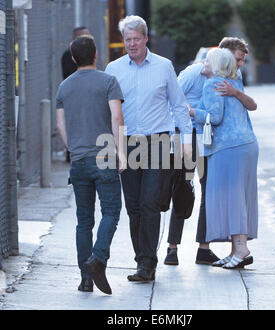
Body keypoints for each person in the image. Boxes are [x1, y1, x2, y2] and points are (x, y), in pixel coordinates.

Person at [105, 15, 193, 282]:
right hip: (128, 144)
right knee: (133, 207)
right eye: (127, 39)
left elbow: (178, 105)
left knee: (150, 202)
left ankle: (147, 264)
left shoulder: (164, 67)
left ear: (145, 38)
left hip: (158, 142)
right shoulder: (114, 69)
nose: (131, 44)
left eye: (135, 39)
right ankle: (141, 258)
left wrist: (187, 142)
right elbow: (108, 110)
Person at [164, 37, 257, 266]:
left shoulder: (232, 77)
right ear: (222, 56)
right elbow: (171, 100)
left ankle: (204, 248)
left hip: (212, 143)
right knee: (183, 190)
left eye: (242, 60)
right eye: (237, 59)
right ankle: (172, 248)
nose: (240, 64)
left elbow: (245, 107)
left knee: (210, 195)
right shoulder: (194, 74)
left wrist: (235, 93)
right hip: (187, 138)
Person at [56, 35, 126, 294]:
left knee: (83, 221)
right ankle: (98, 258)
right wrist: (121, 152)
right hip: (104, 156)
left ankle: (86, 279)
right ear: (96, 55)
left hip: (79, 160)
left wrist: (72, 148)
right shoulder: (108, 81)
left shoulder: (64, 87)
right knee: (111, 212)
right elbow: (116, 116)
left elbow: (60, 125)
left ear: (73, 59)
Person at [190, 47, 258, 269]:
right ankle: (235, 251)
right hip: (246, 144)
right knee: (240, 196)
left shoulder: (212, 84)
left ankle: (241, 249)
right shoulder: (234, 81)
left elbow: (215, 117)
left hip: (227, 148)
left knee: (231, 198)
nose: (204, 64)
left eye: (207, 61)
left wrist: (190, 111)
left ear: (217, 65)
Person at [61, 26, 90, 163]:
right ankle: (71, 153)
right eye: (83, 37)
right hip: (74, 97)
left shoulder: (90, 54)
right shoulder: (68, 55)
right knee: (73, 124)